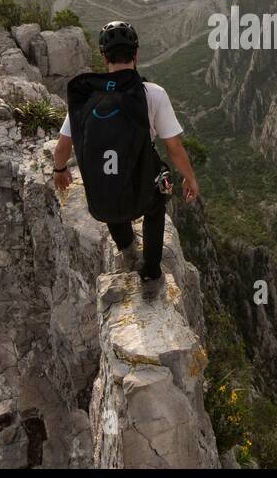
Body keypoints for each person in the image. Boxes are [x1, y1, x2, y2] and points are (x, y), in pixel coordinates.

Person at [51, 21, 199, 285]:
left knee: (107, 184)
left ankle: (128, 249)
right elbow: (174, 147)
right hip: (142, 189)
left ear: (104, 57)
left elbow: (63, 146)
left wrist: (60, 170)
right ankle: (152, 271)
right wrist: (190, 177)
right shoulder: (152, 94)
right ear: (136, 54)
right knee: (156, 204)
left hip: (105, 196)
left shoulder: (87, 98)